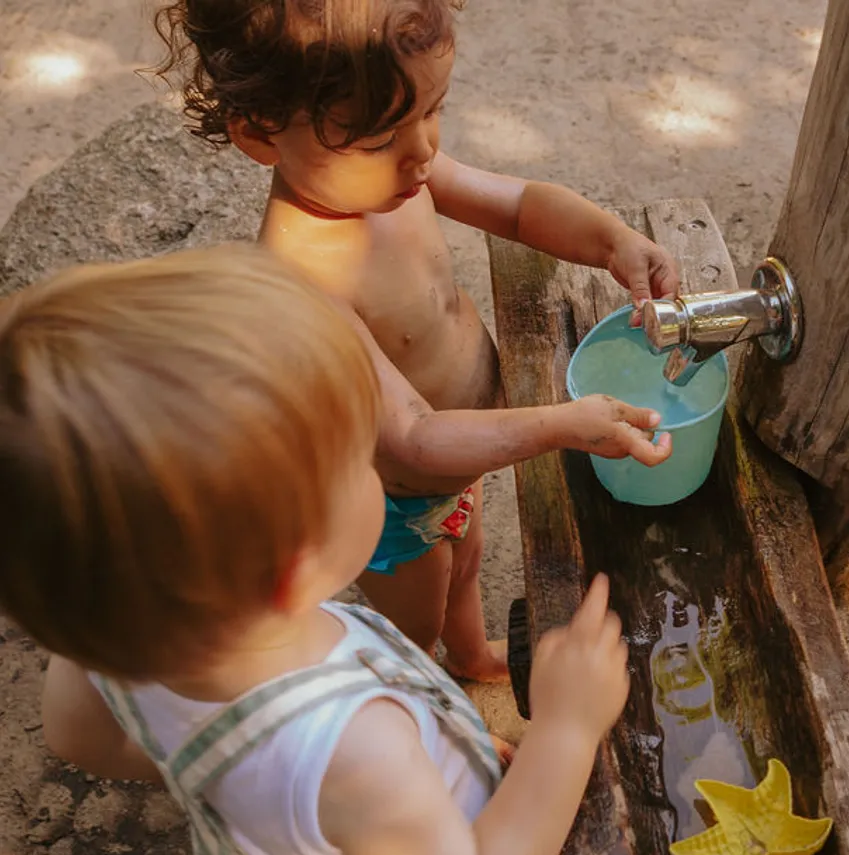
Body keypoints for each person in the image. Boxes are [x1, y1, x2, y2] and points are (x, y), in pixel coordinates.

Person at [0, 246, 631, 855]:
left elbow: (78, 738)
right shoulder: (355, 754)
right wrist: (566, 730)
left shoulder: (125, 628)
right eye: (360, 462)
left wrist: (258, 786)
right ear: (293, 570)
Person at [154, 0, 681, 682]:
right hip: (392, 508)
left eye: (433, 111)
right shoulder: (304, 278)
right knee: (412, 632)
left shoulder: (393, 175)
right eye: (379, 139)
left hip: (461, 460)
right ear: (259, 135)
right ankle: (425, 713)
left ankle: (470, 659)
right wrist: (561, 426)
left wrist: (615, 241)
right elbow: (412, 434)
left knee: (464, 572)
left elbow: (518, 206)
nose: (423, 152)